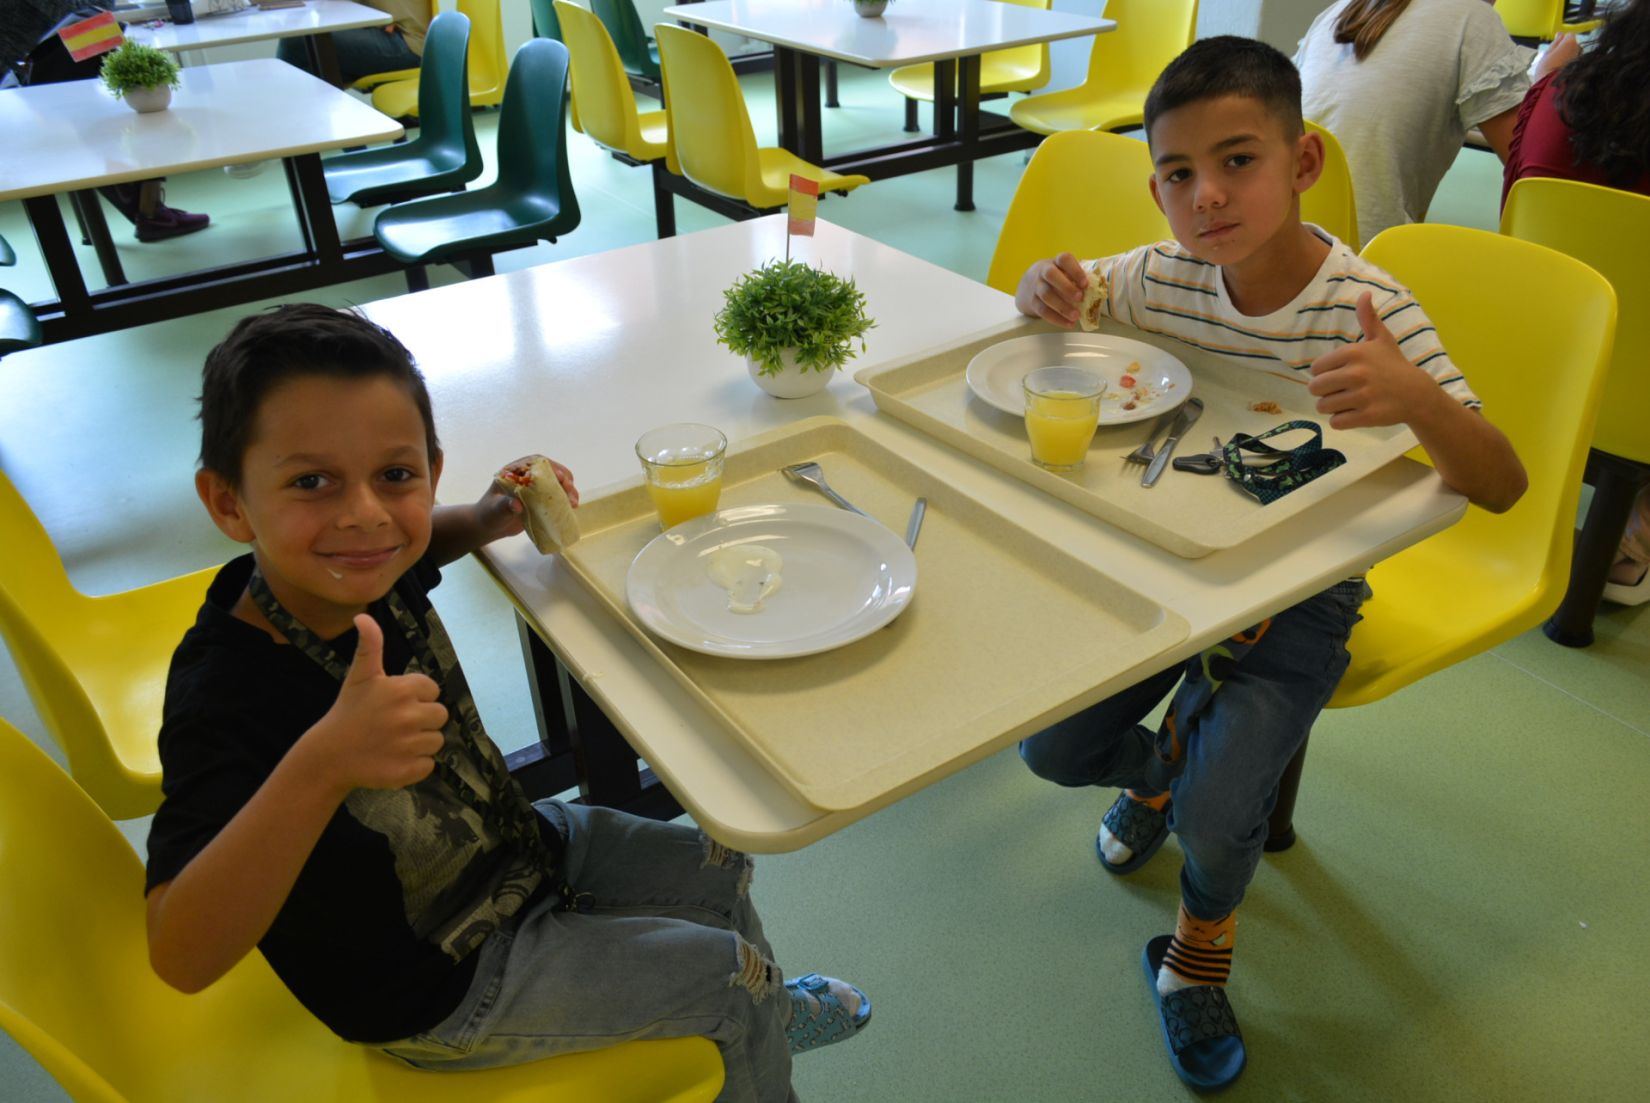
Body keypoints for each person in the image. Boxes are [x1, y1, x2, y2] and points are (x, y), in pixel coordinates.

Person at [142, 304, 870, 1103]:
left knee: (721, 864)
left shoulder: (360, 563)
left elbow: (418, 537)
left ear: (432, 469)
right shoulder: (226, 692)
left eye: (395, 475)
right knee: (724, 978)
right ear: (229, 503)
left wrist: (486, 517)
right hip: (441, 982)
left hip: (515, 850)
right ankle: (751, 1016)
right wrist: (322, 765)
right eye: (311, 482)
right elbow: (181, 950)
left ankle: (763, 1014)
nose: (365, 514)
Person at [1014, 37, 1527, 1090]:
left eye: (1238, 160)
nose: (1206, 195)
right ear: (1156, 188)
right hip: (1170, 570)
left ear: (1303, 163)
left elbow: (1505, 485)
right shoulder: (1158, 277)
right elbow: (1072, 300)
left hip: (1302, 594)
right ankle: (1160, 772)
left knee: (1219, 817)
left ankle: (1197, 947)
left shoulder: (1365, 310)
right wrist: (1040, 289)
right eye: (1177, 173)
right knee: (1050, 748)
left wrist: (1417, 399)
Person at [1501, 0, 1650, 604]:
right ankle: (1633, 545)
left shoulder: (1554, 93)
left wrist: (1542, 77)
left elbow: (1513, 212)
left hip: (1536, 357)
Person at [1293, 0, 1534, 247]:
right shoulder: (1473, 19)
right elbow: (1532, 167)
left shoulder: (1339, 11)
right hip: (1365, 254)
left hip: (1291, 243)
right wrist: (1546, 82)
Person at [7, 3, 210, 241]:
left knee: (107, 117)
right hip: (38, 58)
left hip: (39, 56)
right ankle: (149, 213)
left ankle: (143, 210)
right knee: (120, 119)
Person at [276, 0, 428, 87]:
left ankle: (279, 123)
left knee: (297, 41)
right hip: (393, 33)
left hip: (409, 42)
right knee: (313, 72)